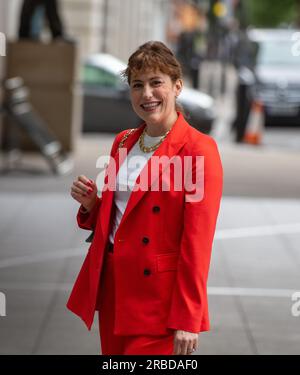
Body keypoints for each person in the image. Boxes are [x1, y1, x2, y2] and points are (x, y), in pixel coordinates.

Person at [67, 41, 223, 355]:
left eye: (156, 83)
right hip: (114, 288)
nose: (146, 94)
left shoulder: (198, 150)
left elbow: (197, 242)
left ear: (177, 86)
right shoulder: (123, 141)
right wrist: (92, 205)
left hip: (158, 300)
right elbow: (121, 219)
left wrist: (188, 316)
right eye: (137, 85)